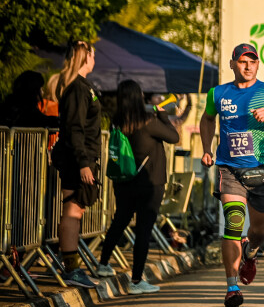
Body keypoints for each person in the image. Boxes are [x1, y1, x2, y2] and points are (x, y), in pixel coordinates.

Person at [200, 43, 264, 307]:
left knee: (259, 231)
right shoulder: (218, 93)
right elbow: (207, 119)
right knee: (233, 221)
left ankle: (251, 251)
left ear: (258, 65)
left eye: (252, 61)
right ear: (232, 64)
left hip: (263, 169)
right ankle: (232, 288)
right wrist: (207, 148)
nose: (248, 66)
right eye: (242, 61)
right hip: (230, 167)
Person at [96, 80, 179, 293]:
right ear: (138, 96)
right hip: (149, 183)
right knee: (143, 229)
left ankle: (103, 264)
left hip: (124, 181)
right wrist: (163, 115)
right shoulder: (148, 121)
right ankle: (136, 281)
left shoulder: (117, 122)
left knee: (119, 221)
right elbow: (174, 137)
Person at [51, 40, 101, 288]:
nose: (95, 59)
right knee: (73, 209)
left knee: (76, 208)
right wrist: (83, 163)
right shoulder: (77, 89)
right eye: (92, 54)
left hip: (81, 157)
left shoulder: (81, 87)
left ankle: (70, 263)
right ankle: (70, 268)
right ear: (85, 57)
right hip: (76, 159)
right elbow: (75, 128)